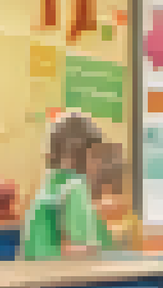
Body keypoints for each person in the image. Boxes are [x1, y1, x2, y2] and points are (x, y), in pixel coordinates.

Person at [22, 111, 116, 260]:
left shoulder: (49, 186)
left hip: (37, 278)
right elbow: (75, 251)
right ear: (84, 154)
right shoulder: (75, 187)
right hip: (63, 278)